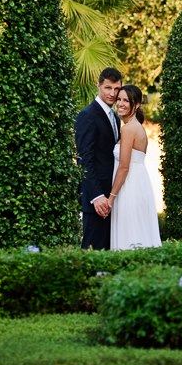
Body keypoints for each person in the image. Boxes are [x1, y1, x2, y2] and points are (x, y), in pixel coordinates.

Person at [108, 85, 161, 250]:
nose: (120, 103)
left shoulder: (129, 129)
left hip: (129, 188)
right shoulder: (135, 126)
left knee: (129, 235)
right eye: (119, 99)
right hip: (138, 184)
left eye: (126, 100)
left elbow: (124, 167)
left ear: (136, 105)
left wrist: (111, 198)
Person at [75, 67, 123, 250]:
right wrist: (96, 196)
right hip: (97, 199)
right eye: (108, 88)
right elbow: (84, 159)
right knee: (92, 253)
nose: (112, 93)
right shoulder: (87, 115)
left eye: (116, 89)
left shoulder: (115, 118)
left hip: (111, 197)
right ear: (99, 86)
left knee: (109, 252)